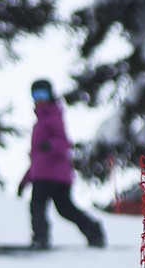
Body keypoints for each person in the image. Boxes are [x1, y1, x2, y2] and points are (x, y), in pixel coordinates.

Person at [17, 78, 106, 250]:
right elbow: (37, 158)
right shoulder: (41, 122)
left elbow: (65, 143)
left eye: (43, 93)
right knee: (65, 208)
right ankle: (93, 230)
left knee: (37, 204)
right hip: (53, 175)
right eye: (36, 94)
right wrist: (24, 180)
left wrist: (51, 145)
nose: (40, 98)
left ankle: (41, 238)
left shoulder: (53, 116)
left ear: (51, 94)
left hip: (49, 176)